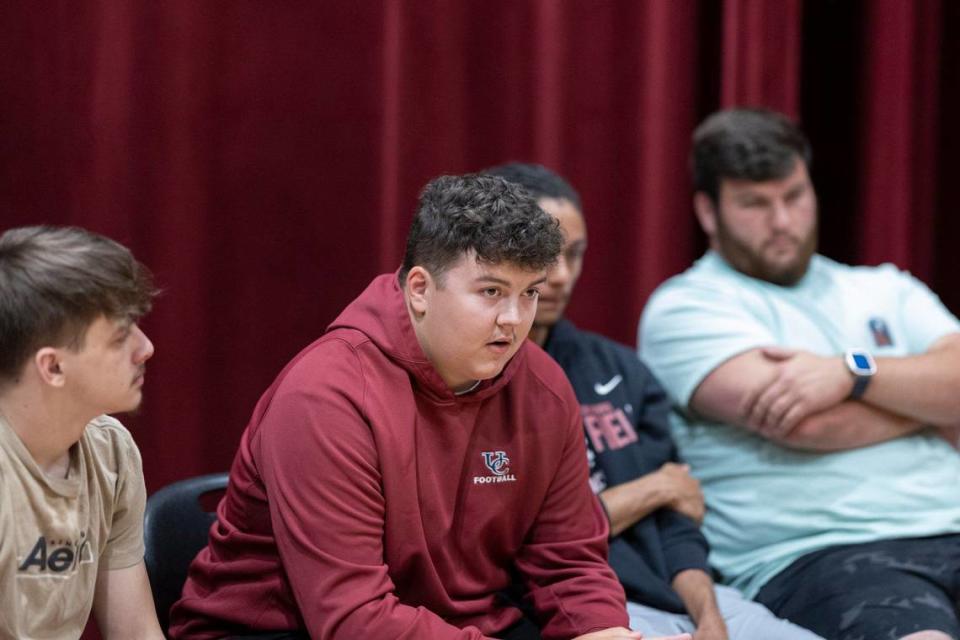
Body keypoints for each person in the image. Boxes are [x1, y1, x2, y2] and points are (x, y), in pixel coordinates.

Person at [170, 174, 682, 640]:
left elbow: (569, 560)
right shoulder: (326, 396)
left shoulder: (543, 385)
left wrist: (601, 631)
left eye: (529, 293)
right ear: (420, 289)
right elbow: (352, 619)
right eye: (491, 291)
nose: (513, 319)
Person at [639, 107, 960, 640]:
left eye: (793, 196)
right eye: (754, 205)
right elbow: (804, 425)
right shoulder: (686, 307)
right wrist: (933, 407)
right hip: (819, 553)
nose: (783, 221)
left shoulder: (885, 288)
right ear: (708, 211)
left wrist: (852, 373)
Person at [486, 163, 821, 640]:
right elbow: (523, 541)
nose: (561, 275)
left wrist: (709, 619)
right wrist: (654, 488)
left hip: (686, 595)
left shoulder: (620, 370)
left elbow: (677, 524)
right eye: (546, 254)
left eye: (575, 254)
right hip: (575, 606)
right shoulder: (476, 374)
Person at [0, 226, 163, 639]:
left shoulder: (111, 451)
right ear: (52, 367)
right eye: (121, 336)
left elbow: (136, 632)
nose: (146, 348)